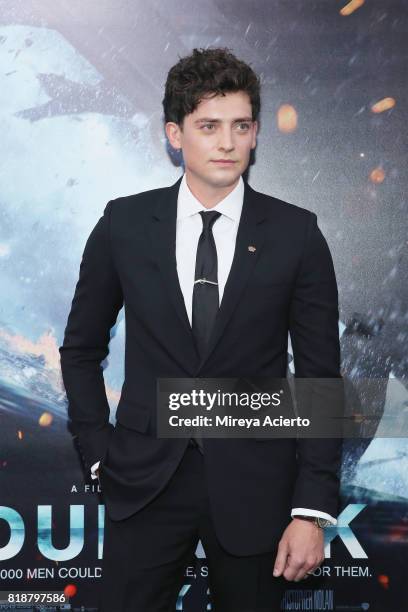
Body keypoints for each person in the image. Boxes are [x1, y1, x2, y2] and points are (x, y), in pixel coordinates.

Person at [59, 47, 343, 611]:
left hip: (256, 486)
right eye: (208, 126)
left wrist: (311, 509)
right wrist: (97, 449)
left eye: (241, 126)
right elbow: (81, 349)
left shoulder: (296, 234)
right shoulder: (125, 224)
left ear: (257, 133)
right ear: (174, 133)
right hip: (144, 482)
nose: (227, 142)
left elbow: (319, 380)